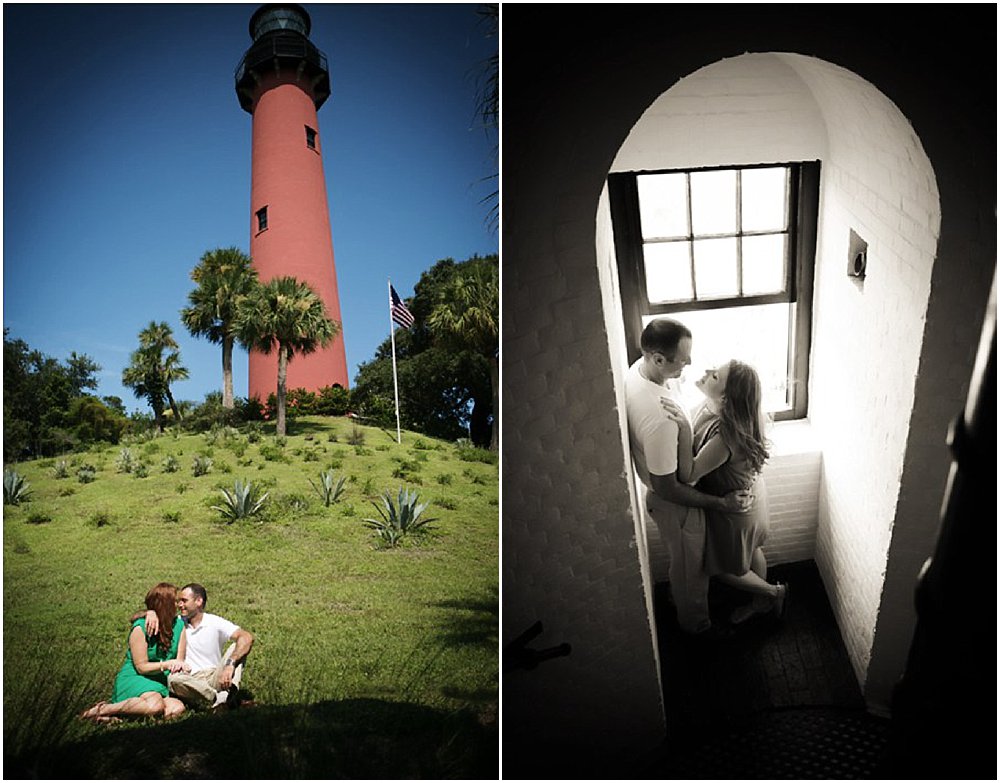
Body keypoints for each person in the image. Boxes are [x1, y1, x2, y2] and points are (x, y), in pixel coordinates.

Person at [625, 318, 753, 638]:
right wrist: (720, 503)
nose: (691, 363)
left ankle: (681, 602)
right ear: (657, 358)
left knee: (683, 567)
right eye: (683, 358)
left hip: (674, 497)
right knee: (691, 573)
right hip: (676, 504)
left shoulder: (637, 370)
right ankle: (696, 627)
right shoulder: (660, 419)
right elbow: (671, 486)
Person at [662, 359, 788, 625]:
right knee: (752, 550)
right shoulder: (721, 409)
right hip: (751, 496)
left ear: (727, 398)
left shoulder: (726, 435)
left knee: (723, 570)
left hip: (737, 508)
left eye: (715, 376)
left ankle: (773, 593)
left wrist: (684, 429)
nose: (707, 372)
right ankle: (760, 602)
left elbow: (689, 474)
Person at [80, 582, 189, 723]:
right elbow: (141, 667)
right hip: (136, 677)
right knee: (155, 706)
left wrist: (179, 668)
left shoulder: (179, 626)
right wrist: (167, 664)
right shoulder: (140, 627)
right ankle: (104, 709)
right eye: (176, 601)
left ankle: (119, 717)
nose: (180, 605)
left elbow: (179, 660)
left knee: (176, 709)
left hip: (159, 681)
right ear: (165, 604)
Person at [144, 583, 255, 710]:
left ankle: (221, 698)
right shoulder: (177, 622)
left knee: (236, 647)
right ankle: (222, 698)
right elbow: (139, 617)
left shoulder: (214, 621)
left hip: (215, 676)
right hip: (189, 680)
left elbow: (246, 637)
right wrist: (150, 612)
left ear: (198, 601)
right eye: (179, 601)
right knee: (172, 680)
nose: (180, 605)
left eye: (184, 601)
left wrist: (230, 664)